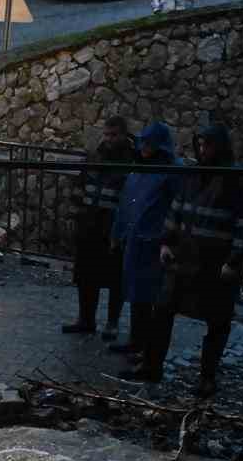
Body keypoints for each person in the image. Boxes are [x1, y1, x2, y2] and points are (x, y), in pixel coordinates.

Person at [153, 125, 243, 398]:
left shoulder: (237, 180)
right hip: (185, 258)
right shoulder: (192, 176)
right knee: (163, 310)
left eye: (207, 145)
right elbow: (176, 209)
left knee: (217, 321)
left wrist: (234, 261)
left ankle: (207, 378)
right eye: (199, 144)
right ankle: (153, 366)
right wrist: (166, 241)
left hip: (215, 263)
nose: (202, 150)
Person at [110, 121, 181, 383]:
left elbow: (177, 206)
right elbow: (127, 203)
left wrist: (170, 239)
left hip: (155, 243)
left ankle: (147, 349)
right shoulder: (139, 169)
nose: (144, 148)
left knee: (152, 298)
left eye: (149, 143)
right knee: (135, 293)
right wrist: (117, 233)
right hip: (135, 240)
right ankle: (136, 340)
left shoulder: (171, 172)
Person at [64, 115, 134, 337]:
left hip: (113, 228)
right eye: (107, 134)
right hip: (89, 224)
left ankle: (112, 323)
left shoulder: (132, 161)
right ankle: (86, 319)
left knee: (115, 278)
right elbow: (80, 186)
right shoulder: (94, 156)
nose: (109, 139)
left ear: (123, 135)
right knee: (85, 275)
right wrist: (75, 217)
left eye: (114, 135)